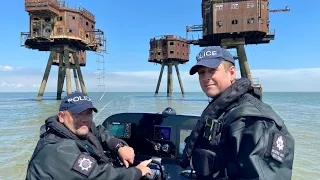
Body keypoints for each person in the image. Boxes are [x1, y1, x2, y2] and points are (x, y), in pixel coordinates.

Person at [180, 46, 294, 180]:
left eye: (212, 70)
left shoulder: (251, 120)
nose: (206, 77)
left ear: (232, 73)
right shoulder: (224, 110)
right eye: (202, 72)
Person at [26, 92, 152, 180]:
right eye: (77, 114)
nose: (84, 119)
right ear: (61, 116)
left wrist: (119, 146)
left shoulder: (75, 129)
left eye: (88, 113)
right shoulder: (58, 149)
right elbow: (99, 177)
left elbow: (99, 131)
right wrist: (138, 171)